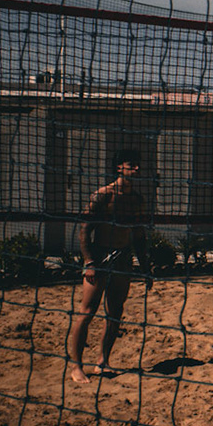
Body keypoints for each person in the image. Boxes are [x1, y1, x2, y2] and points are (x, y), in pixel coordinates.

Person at [67, 152, 152, 384]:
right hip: (100, 258)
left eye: (137, 165)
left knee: (115, 313)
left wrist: (145, 267)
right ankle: (76, 367)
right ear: (118, 168)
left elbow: (139, 235)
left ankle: (102, 361)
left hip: (123, 259)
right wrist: (89, 262)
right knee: (87, 312)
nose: (136, 169)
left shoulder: (136, 199)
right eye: (131, 164)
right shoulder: (103, 195)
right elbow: (85, 229)